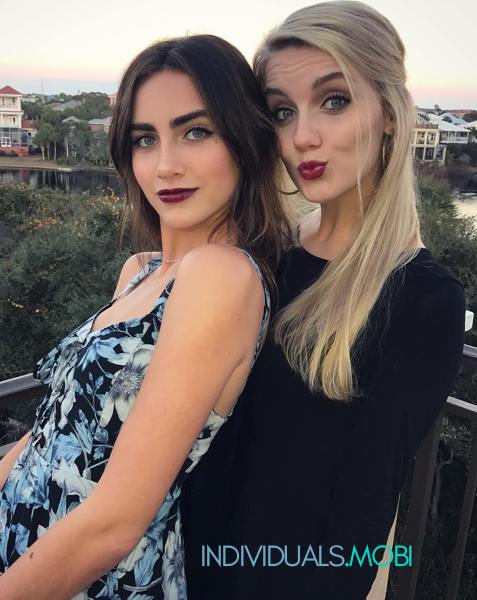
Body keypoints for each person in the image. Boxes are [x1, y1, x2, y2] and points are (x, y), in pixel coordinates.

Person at [181, 3, 466, 599]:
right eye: (282, 111)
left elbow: (358, 521)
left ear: (389, 115)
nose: (301, 136)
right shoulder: (265, 252)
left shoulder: (423, 299)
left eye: (334, 101)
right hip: (177, 568)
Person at [0, 35, 292, 599]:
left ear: (244, 139)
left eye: (196, 132)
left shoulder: (220, 276)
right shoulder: (142, 269)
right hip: (28, 554)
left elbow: (114, 523)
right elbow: (60, 427)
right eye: (144, 139)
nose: (166, 165)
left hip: (90, 581)